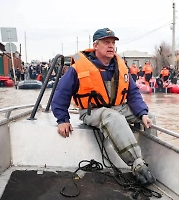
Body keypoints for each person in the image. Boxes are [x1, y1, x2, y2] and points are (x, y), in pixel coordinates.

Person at [51, 28, 156, 186]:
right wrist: (62, 120)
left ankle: (151, 161)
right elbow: (61, 94)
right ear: (95, 45)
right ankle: (137, 165)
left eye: (113, 43)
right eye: (106, 42)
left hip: (117, 108)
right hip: (91, 111)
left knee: (150, 117)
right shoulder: (78, 68)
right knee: (112, 117)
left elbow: (133, 93)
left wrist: (143, 114)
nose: (111, 46)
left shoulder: (119, 66)